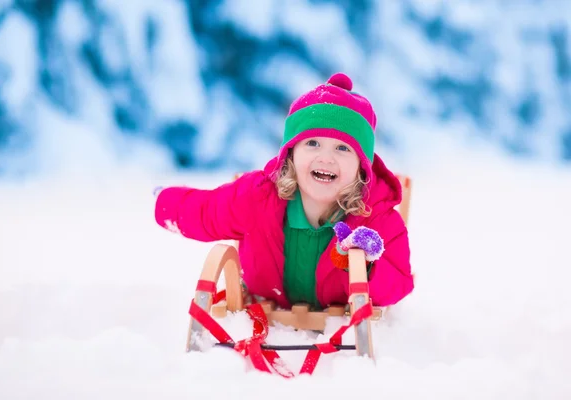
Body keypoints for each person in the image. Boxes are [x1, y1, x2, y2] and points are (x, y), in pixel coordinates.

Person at [154, 73, 414, 310]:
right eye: (312, 143)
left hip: (337, 320)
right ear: (290, 154)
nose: (326, 158)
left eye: (342, 148)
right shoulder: (258, 197)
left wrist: (367, 266)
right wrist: (165, 202)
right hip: (267, 303)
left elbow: (399, 284)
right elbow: (208, 211)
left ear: (362, 166)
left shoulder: (377, 219)